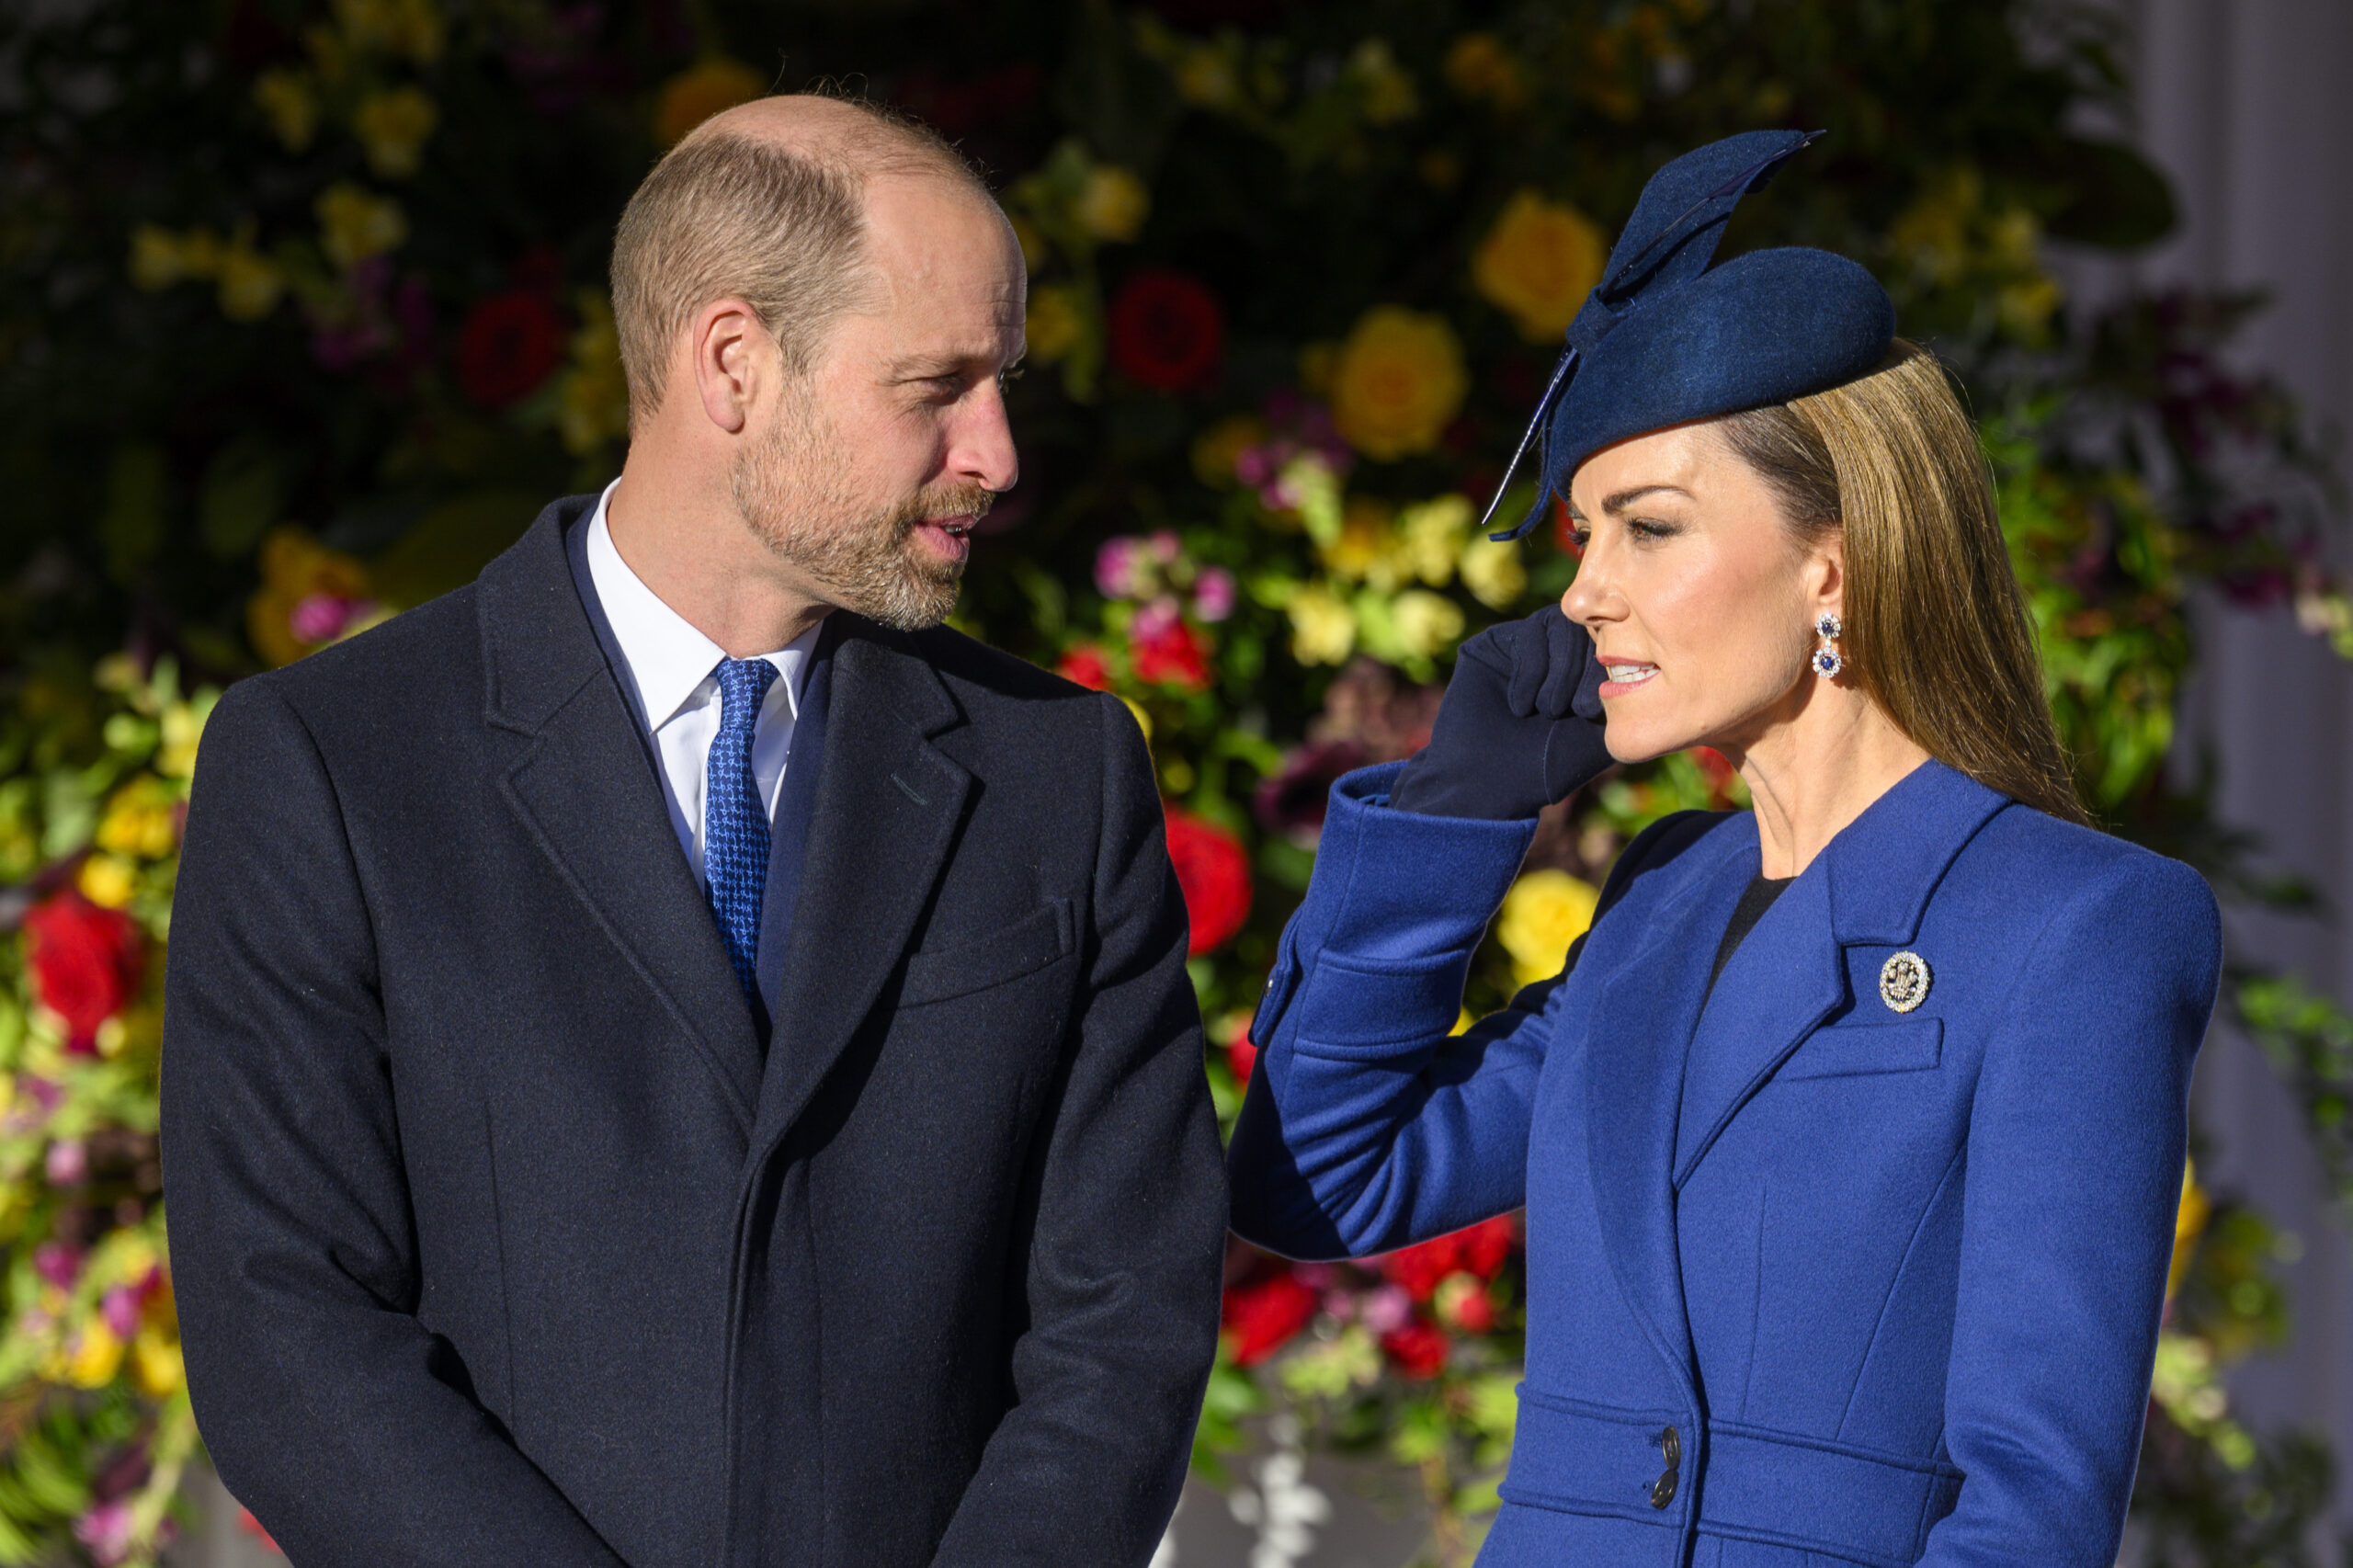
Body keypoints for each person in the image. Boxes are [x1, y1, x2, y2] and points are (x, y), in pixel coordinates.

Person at [161, 93, 1226, 1568]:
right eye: (938, 385)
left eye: (1006, 382)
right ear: (734, 364)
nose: (996, 451)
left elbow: (1127, 1312)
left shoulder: (1064, 772)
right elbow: (287, 1327)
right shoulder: (332, 765)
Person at [1227, 131, 2221, 1568]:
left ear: (1834, 559)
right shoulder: (1659, 898)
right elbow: (1322, 1176)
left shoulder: (2078, 922)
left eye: (1648, 529)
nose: (1583, 594)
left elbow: (2034, 1504)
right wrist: (1451, 813)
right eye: (1582, 535)